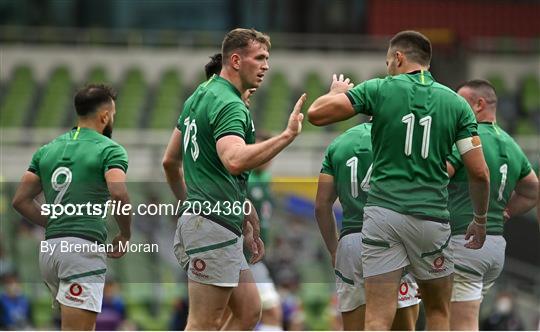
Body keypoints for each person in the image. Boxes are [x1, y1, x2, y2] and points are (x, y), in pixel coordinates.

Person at [307, 30, 490, 330]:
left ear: (399, 58)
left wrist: (336, 93)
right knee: (438, 312)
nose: (388, 67)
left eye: (388, 61)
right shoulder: (457, 106)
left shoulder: (379, 89)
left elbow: (316, 114)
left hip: (382, 216)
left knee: (377, 319)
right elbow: (479, 173)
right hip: (430, 216)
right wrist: (480, 219)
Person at [162, 28, 306, 330]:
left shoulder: (199, 96)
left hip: (214, 222)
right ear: (237, 60)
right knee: (203, 323)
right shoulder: (229, 104)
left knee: (249, 311)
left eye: (268, 58)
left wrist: (205, 205)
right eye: (260, 58)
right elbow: (234, 160)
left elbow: (170, 161)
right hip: (210, 227)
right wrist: (287, 136)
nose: (266, 65)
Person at [12, 84, 132, 330]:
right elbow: (118, 193)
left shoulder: (47, 149)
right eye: (114, 115)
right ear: (105, 116)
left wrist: (57, 221)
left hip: (50, 252)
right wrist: (125, 233)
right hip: (81, 251)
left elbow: (20, 200)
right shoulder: (109, 149)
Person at [447, 79, 538, 330]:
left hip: (464, 241)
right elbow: (533, 190)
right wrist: (506, 211)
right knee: (446, 319)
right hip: (494, 247)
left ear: (479, 105)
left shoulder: (468, 138)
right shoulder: (511, 144)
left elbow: (439, 175)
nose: (455, 110)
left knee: (461, 324)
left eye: (460, 104)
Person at [316, 117, 420, 330]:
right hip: (392, 241)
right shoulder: (405, 141)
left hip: (351, 243)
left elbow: (321, 205)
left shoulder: (339, 143)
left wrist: (334, 249)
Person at [204, 53, 283, 331]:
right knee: (265, 311)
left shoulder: (262, 178)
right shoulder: (244, 174)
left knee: (236, 314)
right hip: (235, 245)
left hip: (246, 249)